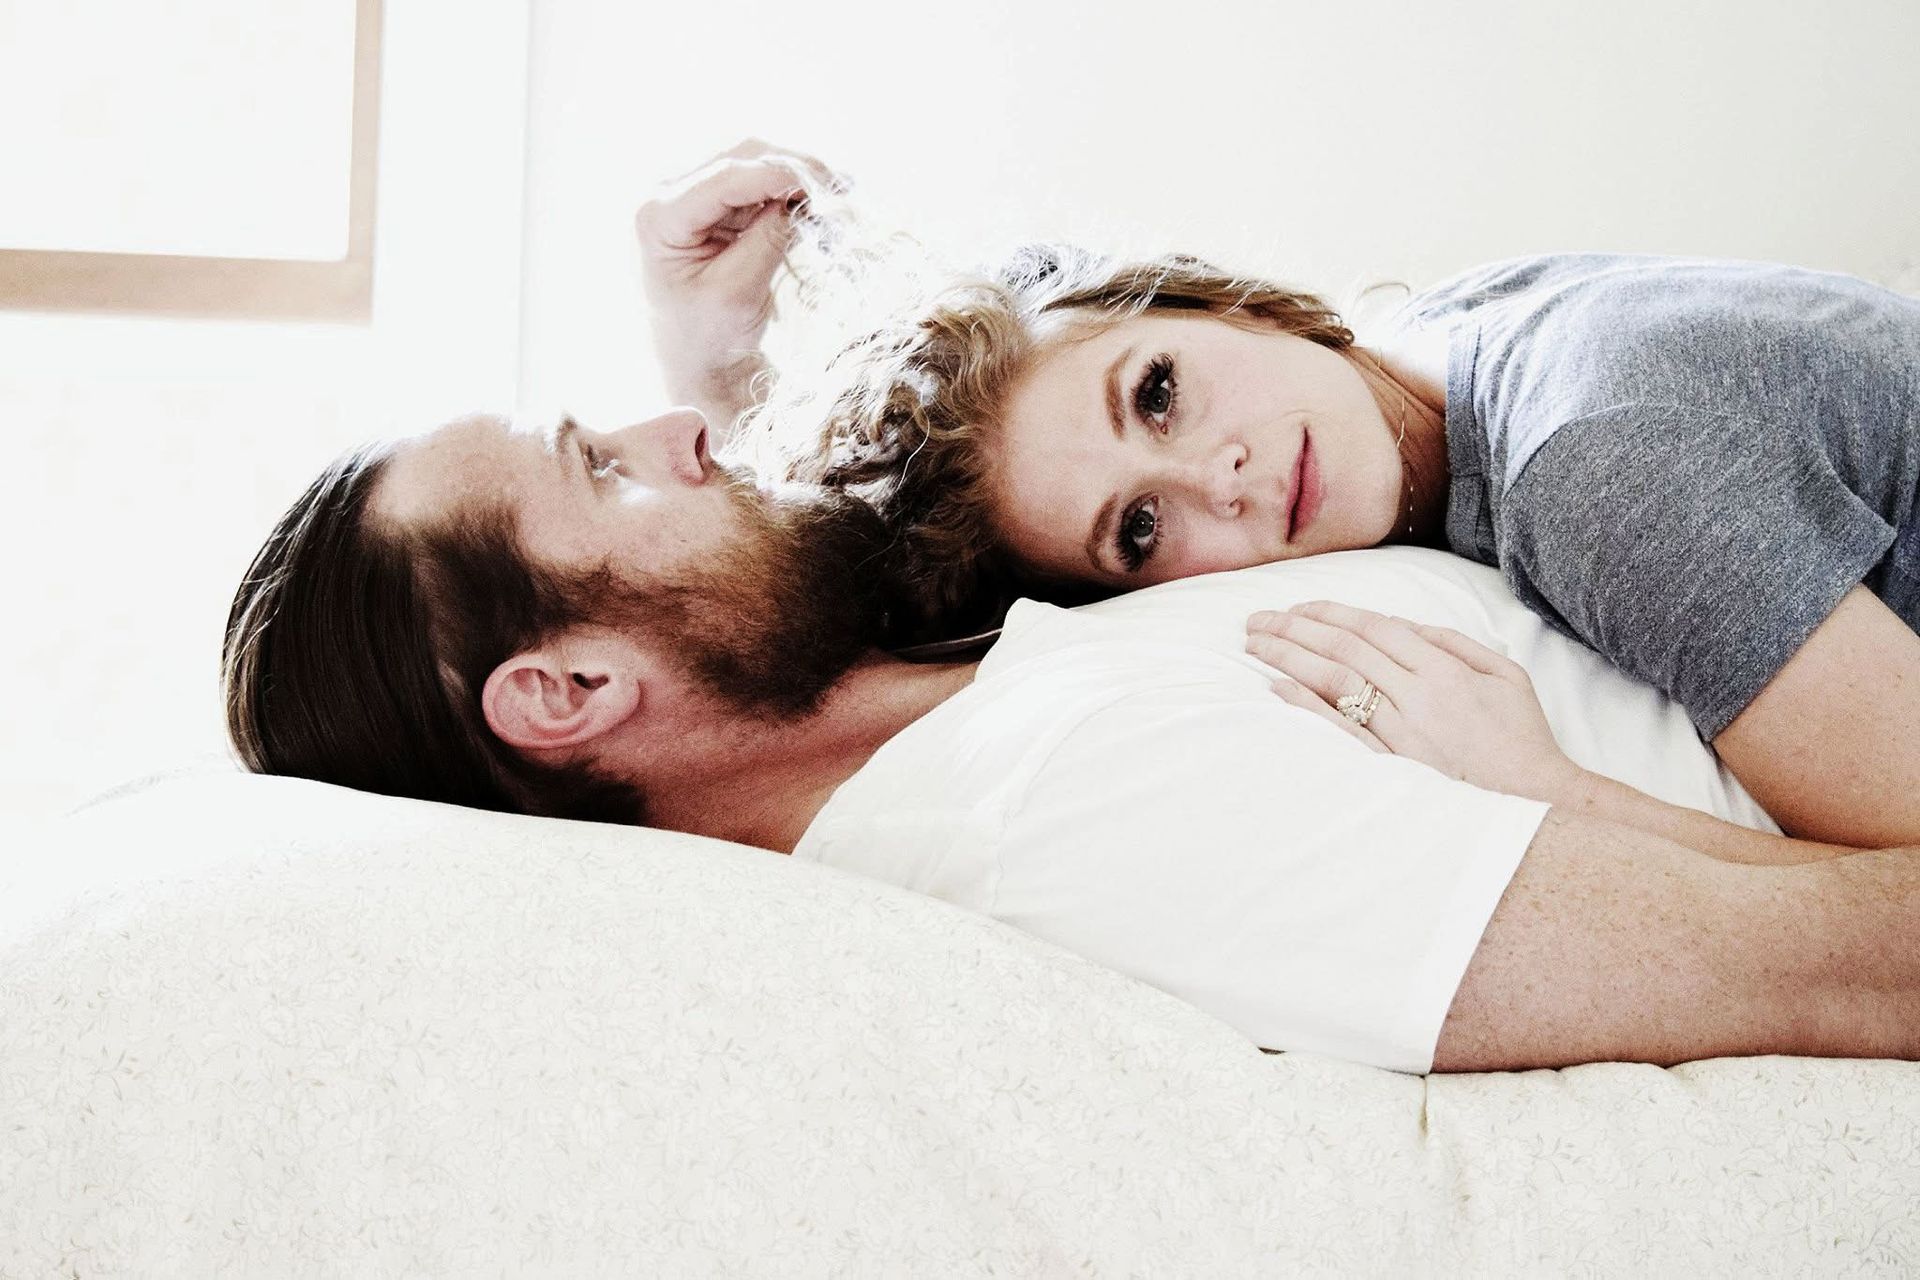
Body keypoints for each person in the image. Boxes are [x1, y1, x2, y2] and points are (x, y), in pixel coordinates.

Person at [223, 405, 1920, 1075]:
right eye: (602, 469)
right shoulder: (1070, 817)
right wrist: (1563, 800)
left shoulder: (943, 680)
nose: (680, 429)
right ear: (571, 697)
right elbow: (1848, 974)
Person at [636, 143, 1920, 852]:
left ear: (1210, 301)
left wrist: (1546, 792)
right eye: (1141, 529)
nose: (1219, 476)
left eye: (1157, 393)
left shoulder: (1593, 466)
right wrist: (712, 370)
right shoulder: (1427, 346)